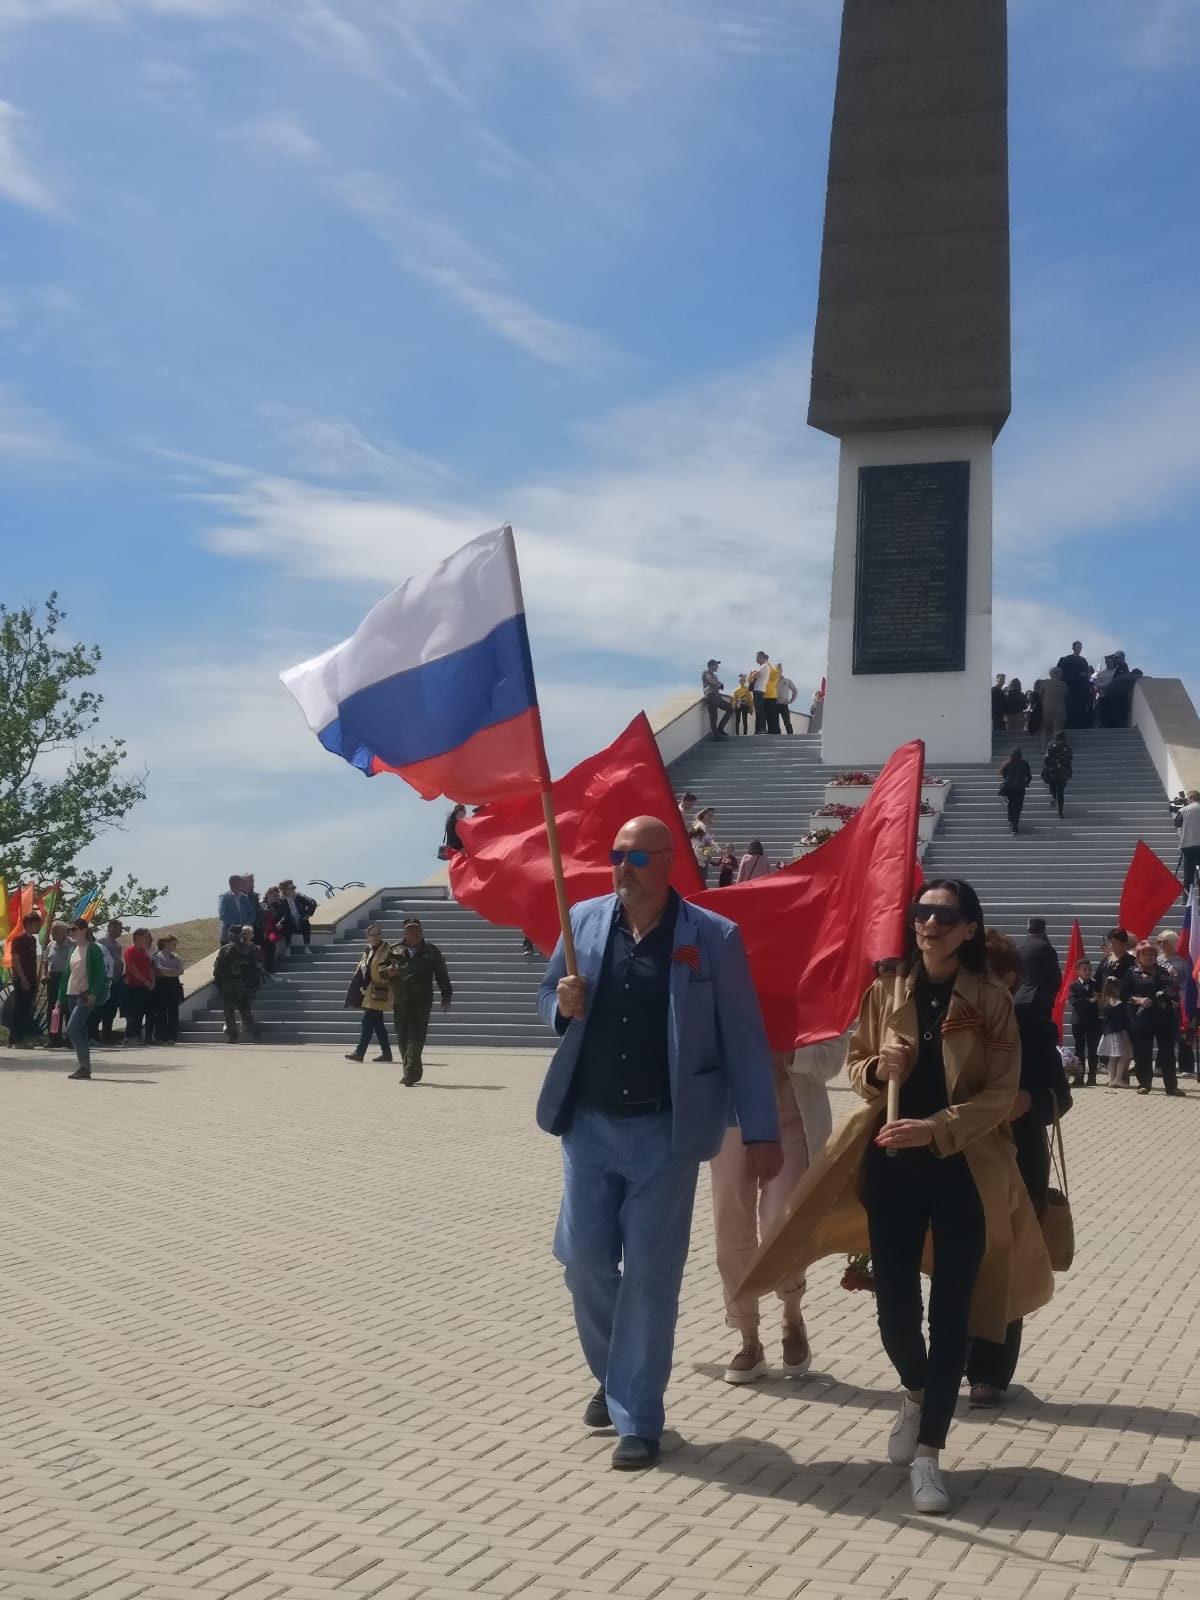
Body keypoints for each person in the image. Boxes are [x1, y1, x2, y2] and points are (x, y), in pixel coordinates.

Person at [739, 878, 1054, 1514]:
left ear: (968, 929)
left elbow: (1001, 1091)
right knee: (896, 1317)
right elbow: (855, 1066)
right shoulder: (886, 991)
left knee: (953, 1317)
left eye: (943, 915)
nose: (928, 924)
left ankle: (931, 1456)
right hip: (891, 1170)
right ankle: (915, 1391)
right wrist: (878, 1071)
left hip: (964, 1169)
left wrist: (936, 1126)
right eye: (921, 913)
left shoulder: (991, 1001)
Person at [536, 815, 781, 1470]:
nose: (623, 866)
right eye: (616, 854)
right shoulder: (583, 922)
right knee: (584, 1262)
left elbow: (744, 1039)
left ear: (669, 861)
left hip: (665, 1134)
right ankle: (615, 1373)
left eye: (637, 856)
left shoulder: (712, 937)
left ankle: (638, 1415)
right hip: (587, 1127)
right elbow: (547, 999)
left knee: (649, 1274)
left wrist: (761, 1130)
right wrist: (561, 1004)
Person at [966, 931, 1072, 1407]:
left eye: (983, 973)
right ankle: (951, 1358)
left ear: (1009, 979)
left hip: (1017, 1160)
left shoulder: (1031, 1025)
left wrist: (1029, 1101)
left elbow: (1059, 1098)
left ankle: (989, 1373)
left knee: (1003, 1265)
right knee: (959, 1262)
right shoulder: (954, 1020)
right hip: (958, 1155)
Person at [710, 1035, 843, 1384]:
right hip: (731, 1114)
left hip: (793, 1118)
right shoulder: (726, 979)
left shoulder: (814, 981)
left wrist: (791, 1053)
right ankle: (748, 1338)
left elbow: (833, 1059)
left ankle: (792, 1314)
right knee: (731, 1228)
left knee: (780, 1224)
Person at [382, 917, 452, 1086]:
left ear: (421, 931)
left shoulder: (431, 951)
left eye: (417, 930)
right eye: (411, 930)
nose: (414, 933)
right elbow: (380, 969)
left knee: (416, 1037)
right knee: (402, 1037)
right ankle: (413, 1070)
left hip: (421, 1001)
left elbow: (441, 973)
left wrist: (446, 994)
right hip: (400, 999)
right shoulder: (394, 950)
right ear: (404, 933)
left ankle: (410, 1074)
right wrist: (387, 971)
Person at [1123, 941, 1184, 1097]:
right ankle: (1145, 1084)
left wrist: (1171, 993)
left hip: (1164, 1017)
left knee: (1167, 1053)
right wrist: (1138, 1000)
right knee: (1143, 1053)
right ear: (1138, 956)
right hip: (1143, 1018)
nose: (1149, 957)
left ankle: (1172, 1087)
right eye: (1146, 954)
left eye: (1152, 954)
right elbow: (1123, 995)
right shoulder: (1132, 972)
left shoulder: (1163, 972)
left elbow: (1174, 992)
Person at [59, 918, 111, 1081]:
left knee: (72, 1029)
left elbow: (100, 973)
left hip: (85, 995)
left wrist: (93, 994)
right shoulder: (73, 949)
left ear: (83, 930)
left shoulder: (93, 948)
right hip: (71, 994)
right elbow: (66, 975)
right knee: (80, 1031)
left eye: (73, 929)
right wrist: (60, 998)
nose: (70, 933)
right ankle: (85, 1068)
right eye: (69, 930)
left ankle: (83, 1066)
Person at [344, 924, 394, 1063]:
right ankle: (387, 1053)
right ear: (368, 937)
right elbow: (363, 970)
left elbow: (390, 967)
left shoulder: (388, 950)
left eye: (378, 934)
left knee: (367, 1021)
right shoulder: (368, 950)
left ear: (381, 935)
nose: (376, 937)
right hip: (369, 992)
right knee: (378, 1024)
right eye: (373, 934)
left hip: (381, 991)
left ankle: (359, 1052)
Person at [1156, 930, 1195, 1076]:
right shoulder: (1156, 960)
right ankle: (1160, 1066)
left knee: (1183, 1034)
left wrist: (1181, 999)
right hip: (1160, 1001)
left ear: (1172, 943)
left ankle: (1186, 1067)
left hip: (1178, 1002)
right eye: (1159, 941)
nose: (1160, 944)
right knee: (1163, 1034)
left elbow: (1186, 982)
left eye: (1164, 941)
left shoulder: (1181, 961)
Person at [213, 926, 262, 1042]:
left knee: (229, 1011)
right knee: (244, 1009)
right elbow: (256, 967)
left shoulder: (225, 949)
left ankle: (233, 1036)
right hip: (242, 984)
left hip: (229, 984)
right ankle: (253, 1031)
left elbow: (217, 969)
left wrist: (219, 981)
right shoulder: (248, 949)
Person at [1015, 917, 1062, 1019]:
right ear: (1044, 930)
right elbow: (1055, 977)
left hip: (1019, 998)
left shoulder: (1018, 949)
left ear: (1028, 929)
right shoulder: (1046, 948)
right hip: (1040, 1000)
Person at [9, 912, 42, 1046]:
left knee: (26, 1009)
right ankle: (17, 1038)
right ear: (28, 924)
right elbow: (15, 960)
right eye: (35, 924)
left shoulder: (33, 940)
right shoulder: (19, 939)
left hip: (32, 978)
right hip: (22, 979)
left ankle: (16, 1037)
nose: (37, 927)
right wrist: (23, 979)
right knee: (20, 1009)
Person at [1067, 957, 1101, 1087]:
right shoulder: (1074, 986)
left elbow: (1101, 997)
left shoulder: (1095, 984)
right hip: (1079, 1022)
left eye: (1089, 969)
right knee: (1079, 1050)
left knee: (1093, 1050)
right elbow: (1074, 1002)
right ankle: (1079, 1077)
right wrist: (1090, 1001)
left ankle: (1092, 1077)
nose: (1088, 972)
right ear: (1077, 971)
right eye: (1084, 969)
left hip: (1093, 1021)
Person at [91, 918, 126, 1045]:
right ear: (111, 927)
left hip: (116, 981)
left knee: (111, 1010)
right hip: (105, 981)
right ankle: (94, 1034)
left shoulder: (117, 944)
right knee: (100, 1008)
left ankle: (108, 1035)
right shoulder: (102, 942)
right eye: (118, 928)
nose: (120, 931)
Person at [1096, 974, 1133, 1086]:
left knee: (1113, 1056)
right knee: (1125, 1055)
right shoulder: (1117, 1003)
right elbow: (1123, 1016)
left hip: (1108, 1031)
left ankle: (1112, 1079)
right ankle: (1118, 1078)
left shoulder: (1104, 1001)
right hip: (1117, 1031)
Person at [122, 928, 156, 1046]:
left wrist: (151, 982)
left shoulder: (143, 952)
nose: (148, 939)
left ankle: (139, 1037)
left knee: (143, 1012)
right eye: (145, 936)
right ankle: (130, 1037)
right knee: (135, 1013)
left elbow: (149, 968)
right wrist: (144, 980)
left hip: (144, 986)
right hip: (134, 986)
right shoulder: (131, 950)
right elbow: (132, 968)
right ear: (137, 937)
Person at [151, 936, 184, 1045]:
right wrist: (172, 970)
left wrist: (170, 971)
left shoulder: (176, 956)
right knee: (161, 1011)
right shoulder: (157, 956)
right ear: (166, 943)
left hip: (174, 985)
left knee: (173, 1011)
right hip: (162, 985)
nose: (175, 946)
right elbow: (160, 969)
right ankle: (160, 1036)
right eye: (173, 943)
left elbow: (181, 970)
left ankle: (172, 1037)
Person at [44, 921, 71, 1048]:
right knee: (52, 1008)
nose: (52, 934)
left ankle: (70, 1038)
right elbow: (46, 961)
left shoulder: (73, 944)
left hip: (67, 978)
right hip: (53, 978)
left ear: (64, 932)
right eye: (52, 931)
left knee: (68, 1007)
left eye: (55, 931)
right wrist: (45, 974)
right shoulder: (50, 945)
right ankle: (54, 1039)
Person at [277, 878, 317, 958]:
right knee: (288, 923)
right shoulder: (281, 900)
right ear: (284, 890)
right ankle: (288, 948)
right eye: (291, 888)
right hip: (289, 921)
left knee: (305, 923)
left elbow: (313, 902)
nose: (293, 890)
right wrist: (280, 922)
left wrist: (307, 915)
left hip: (300, 920)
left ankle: (306, 946)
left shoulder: (299, 896)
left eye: (294, 888)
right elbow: (284, 915)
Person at [1056, 642, 1092, 728]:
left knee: (1078, 708)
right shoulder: (1066, 659)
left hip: (1080, 689)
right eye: (1077, 647)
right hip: (1069, 687)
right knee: (1068, 707)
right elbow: (1059, 673)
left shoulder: (1083, 661)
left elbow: (1086, 676)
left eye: (1080, 647)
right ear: (1073, 648)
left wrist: (1087, 693)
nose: (1079, 649)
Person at [998, 748, 1033, 836]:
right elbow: (1029, 776)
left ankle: (1010, 819)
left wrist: (1009, 780)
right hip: (1020, 788)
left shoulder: (1008, 763)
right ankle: (1015, 828)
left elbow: (1004, 774)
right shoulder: (1024, 763)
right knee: (1018, 807)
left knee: (1011, 804)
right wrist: (1027, 783)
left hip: (1010, 787)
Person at [1174, 790, 1200, 893]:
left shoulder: (1184, 810)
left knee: (1188, 875)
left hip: (1188, 846)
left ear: (1191, 798)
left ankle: (1187, 899)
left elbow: (1177, 823)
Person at [1042, 733, 1073, 818]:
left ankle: (1053, 796)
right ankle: (1060, 812)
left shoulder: (1050, 745)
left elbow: (1046, 759)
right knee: (1061, 792)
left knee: (1052, 785)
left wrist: (1046, 768)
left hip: (1052, 770)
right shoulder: (1067, 747)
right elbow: (1069, 760)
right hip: (1062, 772)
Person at [700, 659, 732, 741]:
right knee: (714, 715)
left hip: (717, 696)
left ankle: (720, 728)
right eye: (716, 664)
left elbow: (716, 684)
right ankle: (716, 735)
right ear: (711, 665)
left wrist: (720, 685)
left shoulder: (715, 675)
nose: (717, 666)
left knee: (730, 708)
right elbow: (711, 681)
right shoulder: (706, 672)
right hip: (711, 696)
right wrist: (719, 683)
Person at [691, 808, 720, 886]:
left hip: (702, 858)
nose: (711, 817)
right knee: (700, 882)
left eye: (712, 815)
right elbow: (700, 844)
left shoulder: (703, 826)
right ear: (704, 815)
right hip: (700, 859)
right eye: (709, 815)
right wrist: (712, 847)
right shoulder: (700, 826)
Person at [1040, 669, 1068, 747]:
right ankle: (1055, 747)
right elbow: (1066, 695)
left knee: (1045, 728)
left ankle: (1043, 747)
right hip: (1059, 708)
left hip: (1046, 708)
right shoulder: (1063, 684)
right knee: (1057, 729)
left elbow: (1040, 693)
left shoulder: (1045, 683)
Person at [749, 651, 773, 734]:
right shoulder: (764, 666)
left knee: (760, 710)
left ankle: (763, 728)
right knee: (758, 710)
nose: (756, 659)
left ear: (762, 657)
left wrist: (752, 672)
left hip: (759, 690)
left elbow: (755, 676)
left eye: (757, 657)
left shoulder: (764, 666)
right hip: (759, 690)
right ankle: (759, 729)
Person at [262, 886, 284, 975]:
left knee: (271, 941)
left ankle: (269, 968)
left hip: (273, 930)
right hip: (263, 930)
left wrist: (281, 922)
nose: (276, 898)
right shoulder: (262, 905)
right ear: (268, 895)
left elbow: (285, 916)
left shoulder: (279, 906)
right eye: (274, 896)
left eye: (277, 896)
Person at [218, 875, 244, 944]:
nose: (242, 885)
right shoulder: (224, 897)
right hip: (227, 935)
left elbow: (251, 912)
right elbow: (222, 914)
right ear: (232, 884)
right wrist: (237, 923)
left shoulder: (244, 897)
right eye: (240, 883)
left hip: (242, 936)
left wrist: (246, 923)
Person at [775, 664, 797, 735]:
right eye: (776, 669)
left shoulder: (787, 681)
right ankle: (778, 737)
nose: (778, 671)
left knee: (787, 721)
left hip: (784, 704)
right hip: (774, 704)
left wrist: (791, 700)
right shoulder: (771, 681)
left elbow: (795, 690)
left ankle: (791, 736)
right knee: (775, 723)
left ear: (781, 670)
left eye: (779, 669)